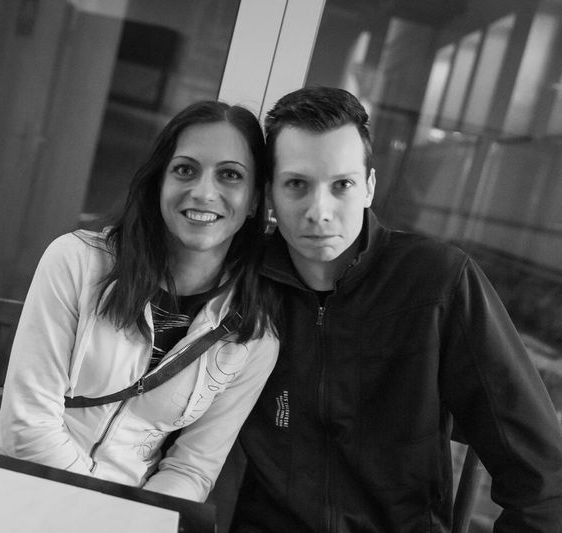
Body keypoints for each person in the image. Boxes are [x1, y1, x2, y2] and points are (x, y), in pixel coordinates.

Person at [231, 86, 562, 531]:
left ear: (369, 187)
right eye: (296, 184)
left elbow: (544, 478)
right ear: (270, 192)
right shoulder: (241, 283)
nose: (319, 211)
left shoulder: (437, 282)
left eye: (342, 185)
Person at [0, 100, 279, 502]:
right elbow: (29, 424)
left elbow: (192, 468)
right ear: (159, 182)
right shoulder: (77, 261)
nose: (203, 192)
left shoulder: (252, 336)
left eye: (230, 175)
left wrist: (137, 519)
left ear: (254, 201)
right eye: (185, 170)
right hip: (1, 477)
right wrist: (99, 515)